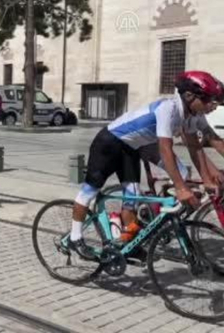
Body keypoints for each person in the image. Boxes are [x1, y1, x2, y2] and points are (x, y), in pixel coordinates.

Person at [68, 70, 223, 260]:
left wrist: (208, 179)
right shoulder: (169, 108)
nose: (212, 105)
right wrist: (181, 188)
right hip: (108, 142)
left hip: (131, 147)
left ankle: (128, 242)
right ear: (189, 96)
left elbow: (195, 148)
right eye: (209, 100)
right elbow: (165, 149)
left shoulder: (191, 115)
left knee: (132, 195)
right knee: (89, 191)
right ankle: (75, 237)